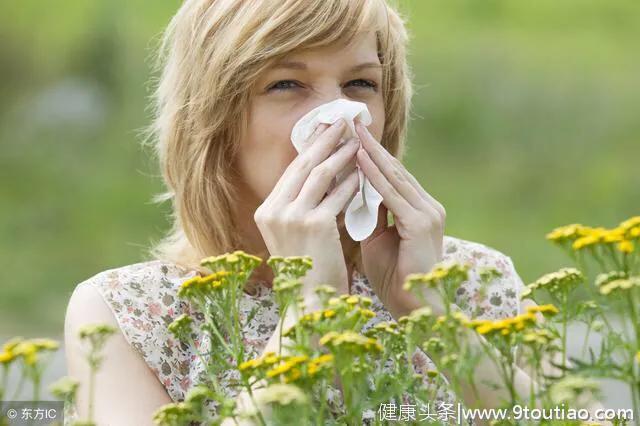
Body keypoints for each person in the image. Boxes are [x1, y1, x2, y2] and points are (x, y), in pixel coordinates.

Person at [64, 1, 607, 425]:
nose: (338, 119)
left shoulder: (474, 282)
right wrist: (309, 309)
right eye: (286, 84)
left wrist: (433, 315)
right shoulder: (129, 314)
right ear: (214, 122)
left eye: (359, 84)